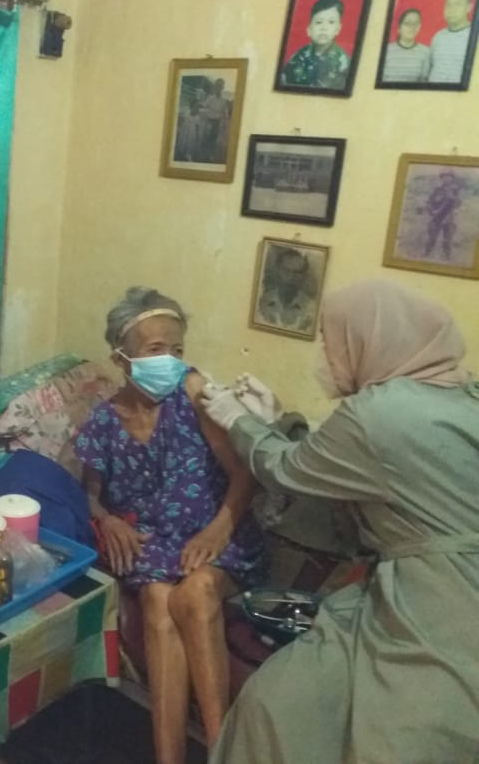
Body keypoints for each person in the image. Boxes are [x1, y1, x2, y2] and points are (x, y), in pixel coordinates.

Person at [201, 278, 479, 763]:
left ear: (368, 339)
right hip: (389, 592)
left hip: (441, 601)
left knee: (400, 737)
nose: (327, 358)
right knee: (276, 701)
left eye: (331, 342)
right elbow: (364, 475)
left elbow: (284, 469)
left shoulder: (377, 414)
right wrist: (273, 423)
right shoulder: (461, 393)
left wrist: (237, 419)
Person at [74, 287, 265, 764]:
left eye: (177, 349)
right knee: (158, 600)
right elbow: (89, 493)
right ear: (120, 358)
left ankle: (222, 750)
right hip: (154, 545)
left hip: (215, 534)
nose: (171, 361)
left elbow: (245, 471)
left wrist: (219, 528)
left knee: (197, 592)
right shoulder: (103, 423)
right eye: (155, 349)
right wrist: (107, 519)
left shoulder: (193, 393)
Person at [280, 0, 351, 90]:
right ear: (309, 30)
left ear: (338, 29)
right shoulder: (298, 56)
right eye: (319, 22)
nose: (324, 28)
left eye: (331, 22)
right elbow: (284, 83)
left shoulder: (343, 62)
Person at [256, 247, 317, 333]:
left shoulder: (312, 308)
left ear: (304, 276)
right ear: (278, 270)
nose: (291, 277)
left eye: (297, 272)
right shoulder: (261, 302)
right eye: (286, 270)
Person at [427, 0, 474, 83]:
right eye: (448, 4)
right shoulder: (438, 37)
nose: (451, 9)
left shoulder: (474, 37)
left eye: (457, 4)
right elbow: (429, 69)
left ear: (469, 7)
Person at [381, 8, 432, 83]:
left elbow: (424, 82)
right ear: (399, 27)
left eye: (415, 23)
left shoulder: (425, 52)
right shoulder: (386, 50)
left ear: (419, 27)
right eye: (408, 23)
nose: (412, 27)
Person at [424, 171, 464, 259]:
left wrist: (452, 198)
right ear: (441, 178)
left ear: (452, 178)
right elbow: (429, 201)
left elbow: (458, 203)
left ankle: (447, 258)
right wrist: (431, 211)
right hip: (436, 218)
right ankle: (426, 255)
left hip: (449, 218)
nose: (446, 178)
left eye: (449, 176)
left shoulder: (455, 190)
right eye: (444, 177)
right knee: (432, 238)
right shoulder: (437, 190)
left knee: (447, 240)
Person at [198, 78, 229, 163]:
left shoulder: (223, 101)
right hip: (208, 121)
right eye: (217, 86)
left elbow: (225, 113)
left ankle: (210, 156)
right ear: (215, 87)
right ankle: (202, 156)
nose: (218, 88)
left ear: (222, 88)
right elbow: (203, 106)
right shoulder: (210, 98)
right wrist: (198, 104)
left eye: (220, 86)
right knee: (205, 138)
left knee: (213, 140)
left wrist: (225, 123)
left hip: (217, 123)